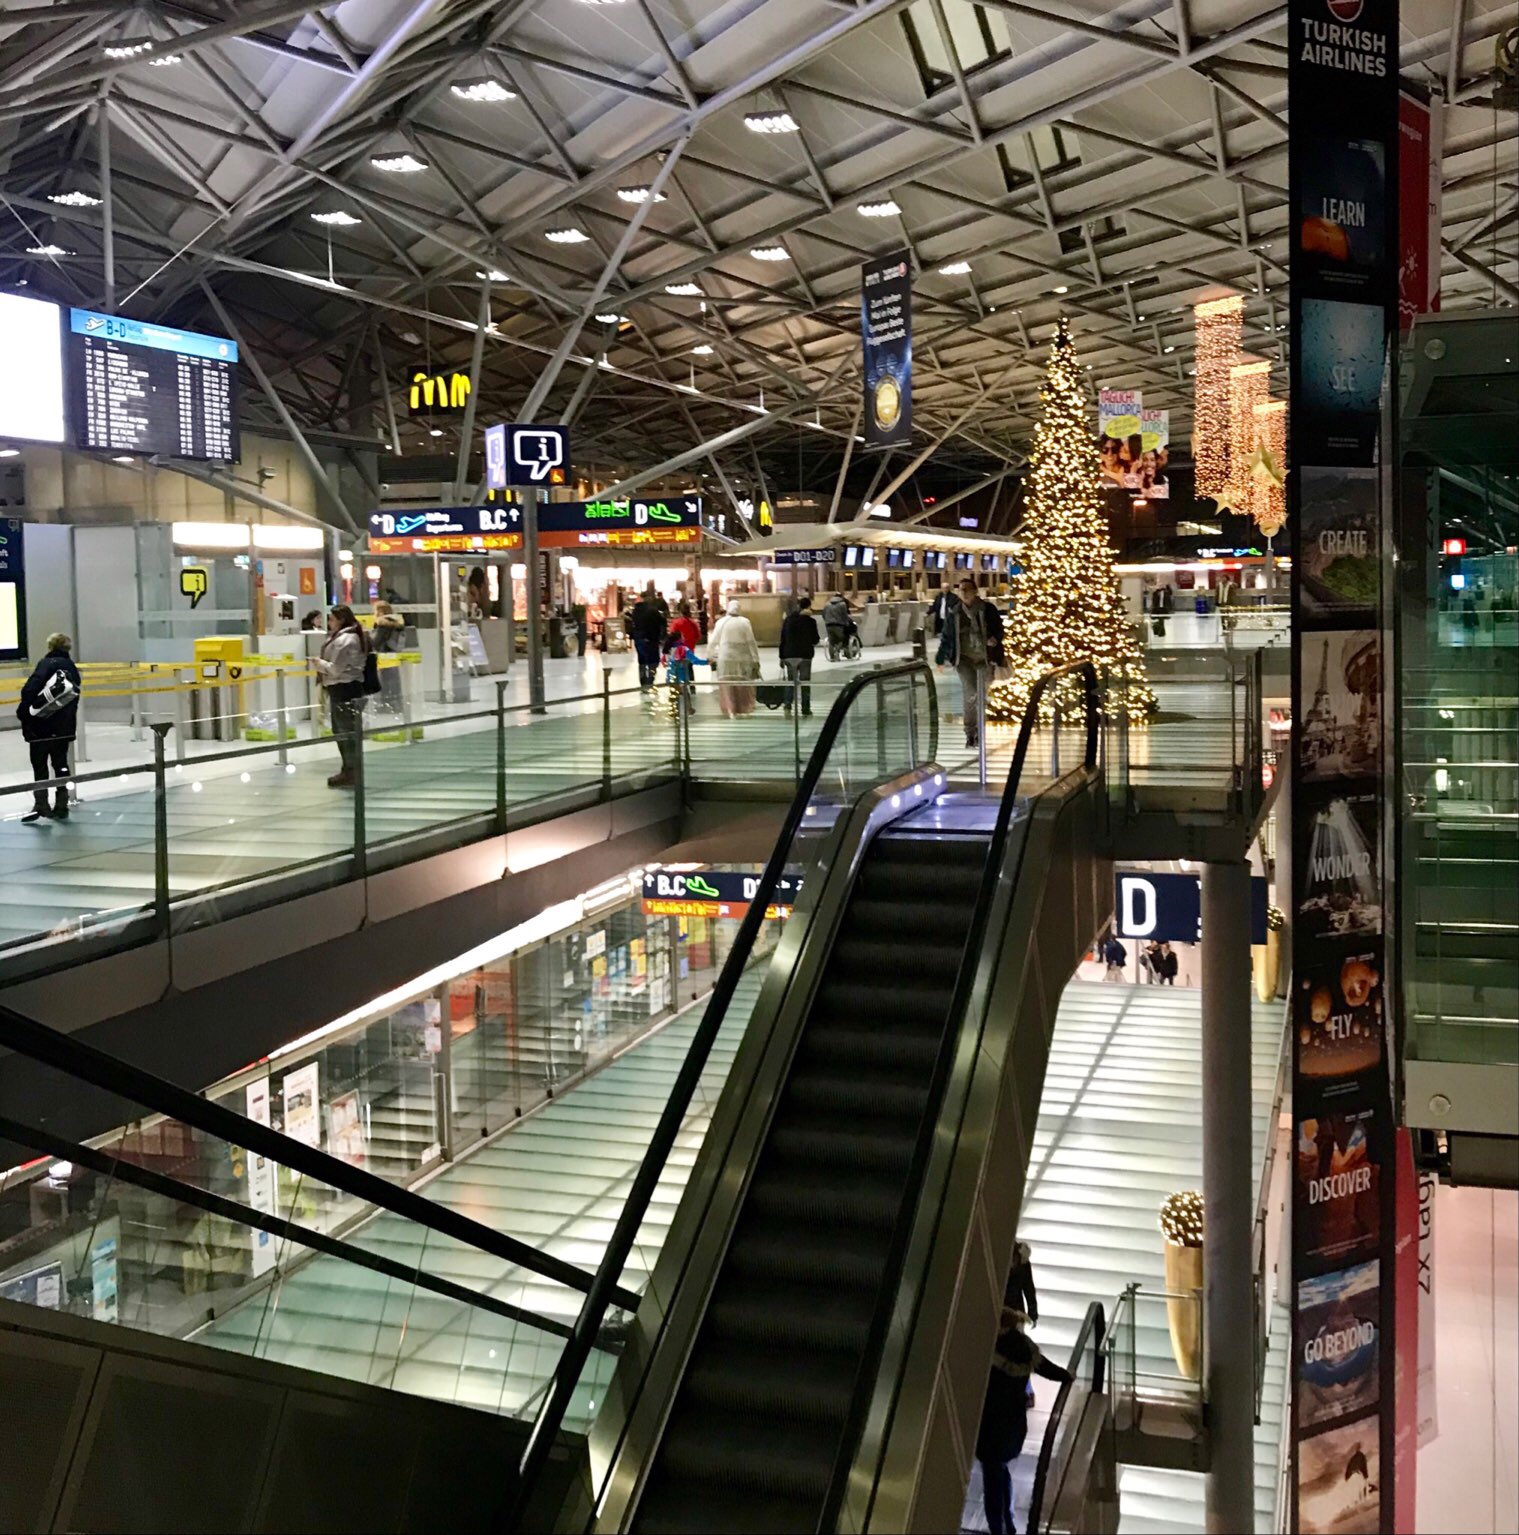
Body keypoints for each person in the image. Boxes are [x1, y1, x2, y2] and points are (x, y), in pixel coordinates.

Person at [976, 1307, 1071, 1535]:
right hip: (1014, 1423)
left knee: (992, 1478)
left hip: (990, 1425)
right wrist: (1067, 1375)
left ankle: (997, 1528)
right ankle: (1008, 1523)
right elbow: (1048, 1369)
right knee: (1001, 1470)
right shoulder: (1024, 1347)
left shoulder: (988, 1348)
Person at [17, 632, 81, 823]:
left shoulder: (46, 665)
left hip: (42, 727)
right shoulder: (72, 668)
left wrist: (24, 714)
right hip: (63, 727)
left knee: (40, 765)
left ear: (50, 646)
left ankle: (41, 804)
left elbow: (29, 690)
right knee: (61, 765)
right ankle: (62, 803)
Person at [940, 577, 1005, 750]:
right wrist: (943, 656)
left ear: (975, 591)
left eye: (968, 589)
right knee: (970, 694)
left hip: (985, 659)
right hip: (965, 660)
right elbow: (947, 635)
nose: (964, 592)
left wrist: (995, 639)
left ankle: (979, 729)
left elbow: (999, 629)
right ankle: (970, 733)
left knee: (981, 695)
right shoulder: (955, 612)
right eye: (961, 590)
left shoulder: (987, 609)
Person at [315, 605, 370, 788]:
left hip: (344, 688)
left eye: (331, 619)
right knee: (343, 731)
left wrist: (318, 664)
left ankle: (351, 772)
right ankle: (349, 770)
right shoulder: (348, 637)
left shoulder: (345, 640)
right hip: (346, 688)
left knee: (345, 732)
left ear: (341, 619)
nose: (329, 623)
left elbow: (336, 669)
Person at [710, 599, 760, 717]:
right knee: (742, 685)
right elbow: (751, 642)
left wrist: (710, 656)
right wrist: (756, 659)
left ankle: (730, 709)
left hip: (725, 659)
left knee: (727, 686)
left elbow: (713, 641)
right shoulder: (745, 622)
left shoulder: (721, 622)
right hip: (742, 659)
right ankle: (744, 708)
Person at [778, 596, 818, 717]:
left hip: (790, 655)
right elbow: (815, 639)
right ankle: (805, 708)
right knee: (805, 683)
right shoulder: (811, 621)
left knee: (791, 681)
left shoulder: (788, 620)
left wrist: (781, 656)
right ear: (809, 606)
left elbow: (783, 639)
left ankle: (787, 706)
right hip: (805, 655)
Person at [370, 599, 407, 715]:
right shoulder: (398, 624)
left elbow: (376, 642)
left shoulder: (382, 624)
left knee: (384, 683)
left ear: (380, 612)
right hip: (394, 656)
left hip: (384, 656)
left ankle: (385, 706)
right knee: (395, 682)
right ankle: (397, 705)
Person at [629, 582, 668, 690]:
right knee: (653, 660)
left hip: (639, 639)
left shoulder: (635, 611)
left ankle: (643, 681)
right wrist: (661, 635)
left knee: (642, 660)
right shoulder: (653, 611)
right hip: (651, 639)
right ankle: (650, 679)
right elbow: (662, 622)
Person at [822, 591, 852, 660]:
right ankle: (837, 651)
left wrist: (827, 620)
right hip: (839, 625)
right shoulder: (842, 604)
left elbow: (823, 614)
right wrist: (846, 623)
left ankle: (832, 656)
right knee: (841, 639)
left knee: (831, 641)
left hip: (828, 625)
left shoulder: (827, 604)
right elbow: (844, 615)